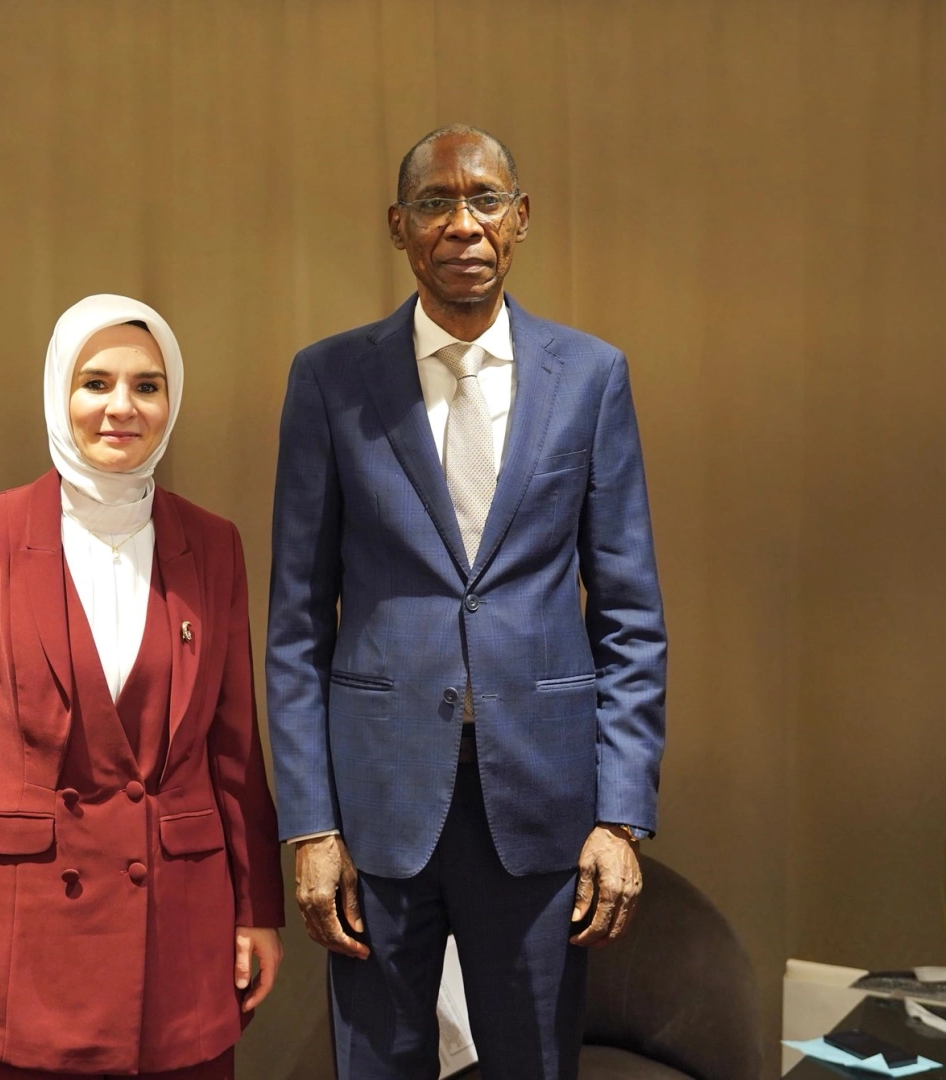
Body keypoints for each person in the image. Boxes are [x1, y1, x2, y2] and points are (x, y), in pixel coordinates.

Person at [267, 125, 667, 1079]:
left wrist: (619, 816)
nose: (462, 225)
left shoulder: (590, 377)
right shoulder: (329, 380)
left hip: (541, 803)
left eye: (485, 200)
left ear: (519, 218)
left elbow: (629, 616)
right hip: (377, 806)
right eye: (434, 203)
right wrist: (310, 826)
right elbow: (294, 625)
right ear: (397, 226)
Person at [0, 294, 284, 1080]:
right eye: (96, 383)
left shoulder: (213, 543)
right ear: (60, 391)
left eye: (147, 386)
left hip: (181, 926)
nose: (121, 407)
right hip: (29, 923)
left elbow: (233, 747)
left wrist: (257, 910)